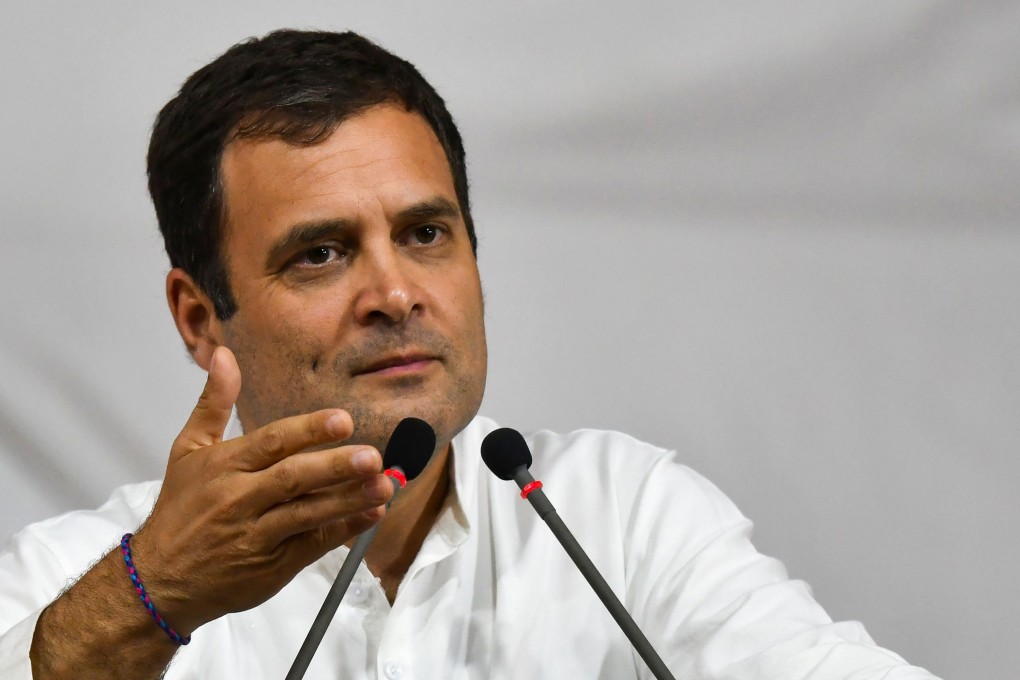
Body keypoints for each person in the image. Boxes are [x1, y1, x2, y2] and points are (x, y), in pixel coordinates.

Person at [0, 29, 939, 679]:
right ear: (201, 318)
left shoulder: (620, 518)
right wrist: (154, 594)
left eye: (425, 234)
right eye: (320, 252)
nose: (395, 293)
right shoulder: (69, 578)